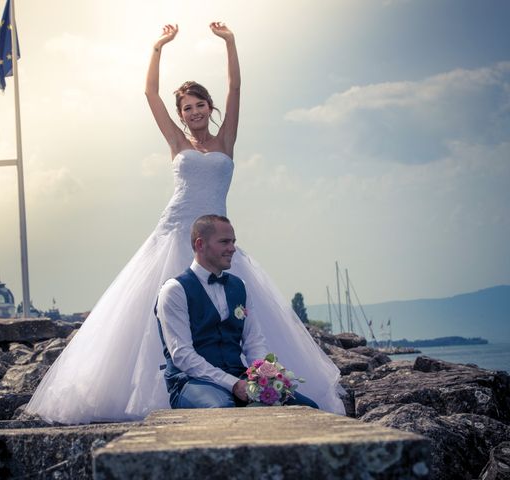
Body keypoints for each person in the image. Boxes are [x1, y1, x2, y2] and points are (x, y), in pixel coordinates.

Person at [25, 23, 344, 424]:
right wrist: (158, 47)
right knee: (161, 314)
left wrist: (230, 43)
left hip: (219, 237)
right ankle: (177, 392)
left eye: (200, 105)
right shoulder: (178, 144)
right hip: (177, 231)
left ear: (210, 108)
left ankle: (251, 382)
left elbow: (236, 90)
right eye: (187, 108)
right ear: (181, 115)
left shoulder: (226, 141)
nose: (194, 113)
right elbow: (149, 95)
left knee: (237, 315)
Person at [156, 214, 319, 409]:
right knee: (223, 410)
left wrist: (265, 376)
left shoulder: (239, 286)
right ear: (200, 244)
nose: (232, 248)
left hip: (239, 376)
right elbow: (182, 355)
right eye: (224, 242)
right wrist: (232, 384)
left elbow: (254, 341)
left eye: (233, 242)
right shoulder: (175, 290)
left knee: (306, 408)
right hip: (191, 382)